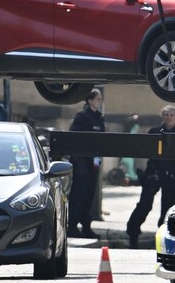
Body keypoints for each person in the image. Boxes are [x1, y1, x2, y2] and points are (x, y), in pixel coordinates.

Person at [126, 105, 175, 248]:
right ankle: (133, 233)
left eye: (171, 114)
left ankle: (165, 236)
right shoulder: (154, 132)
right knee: (144, 205)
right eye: (166, 114)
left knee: (168, 207)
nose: (168, 117)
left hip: (171, 173)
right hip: (154, 171)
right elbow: (146, 151)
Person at [67, 88, 105, 239]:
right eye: (97, 99)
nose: (100, 101)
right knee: (79, 195)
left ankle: (86, 226)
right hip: (81, 163)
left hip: (93, 162)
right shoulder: (82, 117)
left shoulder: (99, 118)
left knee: (90, 195)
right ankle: (72, 226)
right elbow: (74, 138)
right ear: (90, 101)